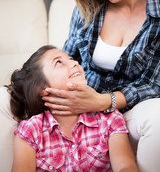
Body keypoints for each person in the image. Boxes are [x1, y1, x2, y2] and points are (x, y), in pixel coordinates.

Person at [41, 0, 160, 172]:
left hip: (128, 110)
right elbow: (69, 58)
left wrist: (102, 102)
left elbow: (154, 83)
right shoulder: (87, 8)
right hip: (79, 104)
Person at [8, 45, 138, 172]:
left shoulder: (110, 119)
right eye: (58, 62)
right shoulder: (31, 131)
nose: (75, 63)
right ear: (40, 88)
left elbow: (125, 167)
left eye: (71, 59)